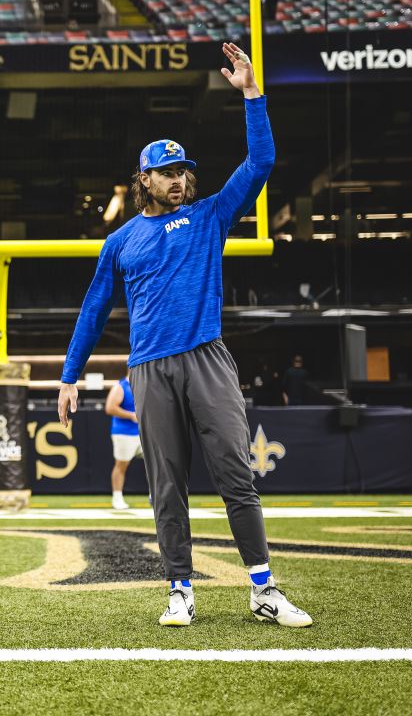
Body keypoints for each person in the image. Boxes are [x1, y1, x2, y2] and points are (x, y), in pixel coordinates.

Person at [57, 43, 311, 629]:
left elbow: (261, 162)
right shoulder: (120, 241)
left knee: (235, 476)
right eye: (168, 173)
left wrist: (251, 94)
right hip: (147, 369)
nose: (180, 180)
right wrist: (70, 376)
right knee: (166, 486)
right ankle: (179, 590)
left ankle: (263, 589)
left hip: (205, 357)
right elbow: (94, 310)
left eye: (185, 172)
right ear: (144, 179)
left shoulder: (210, 215)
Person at [103, 370, 141, 510]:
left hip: (144, 433)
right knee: (121, 465)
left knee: (155, 464)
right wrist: (131, 415)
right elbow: (110, 407)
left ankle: (155, 495)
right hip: (124, 433)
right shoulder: (121, 386)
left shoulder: (144, 384)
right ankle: (117, 498)